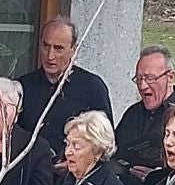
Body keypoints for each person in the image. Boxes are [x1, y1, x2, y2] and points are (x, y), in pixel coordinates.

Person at [16, 15, 112, 162]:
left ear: (74, 50)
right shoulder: (23, 86)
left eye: (58, 48)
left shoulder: (92, 87)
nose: (50, 55)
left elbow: (105, 141)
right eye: (46, 46)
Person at [113, 45, 175, 180]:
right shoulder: (132, 113)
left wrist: (157, 177)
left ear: (170, 77)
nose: (142, 86)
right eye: (138, 79)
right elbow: (113, 153)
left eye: (150, 78)